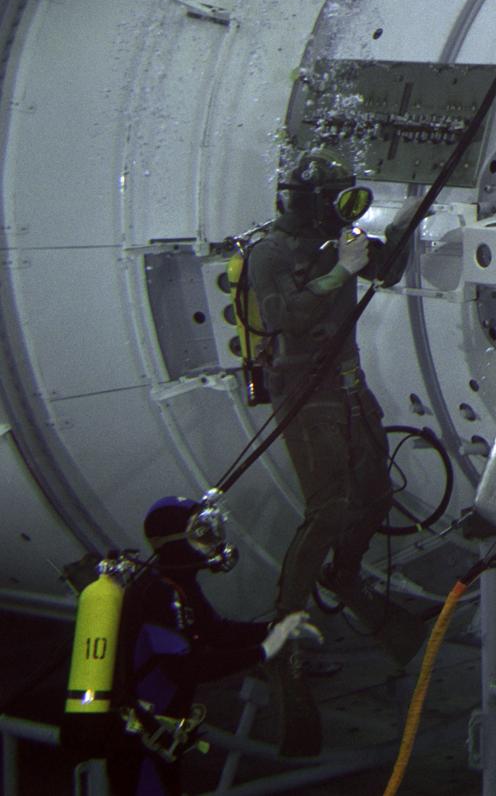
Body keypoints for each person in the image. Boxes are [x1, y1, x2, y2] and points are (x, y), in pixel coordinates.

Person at [246, 146, 421, 754]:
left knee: (375, 494)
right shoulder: (267, 253)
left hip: (347, 382)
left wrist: (408, 219)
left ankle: (344, 575)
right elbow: (278, 318)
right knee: (328, 508)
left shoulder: (337, 238)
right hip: (305, 389)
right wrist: (341, 270)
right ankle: (283, 640)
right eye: (332, 200)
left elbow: (385, 270)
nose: (342, 211)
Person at [106, 497, 313, 795]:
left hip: (161, 735)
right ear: (173, 541)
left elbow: (216, 632)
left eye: (213, 532)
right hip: (142, 740)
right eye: (202, 534)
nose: (212, 544)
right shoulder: (159, 594)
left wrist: (275, 629)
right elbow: (184, 668)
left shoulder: (179, 586)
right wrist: (264, 650)